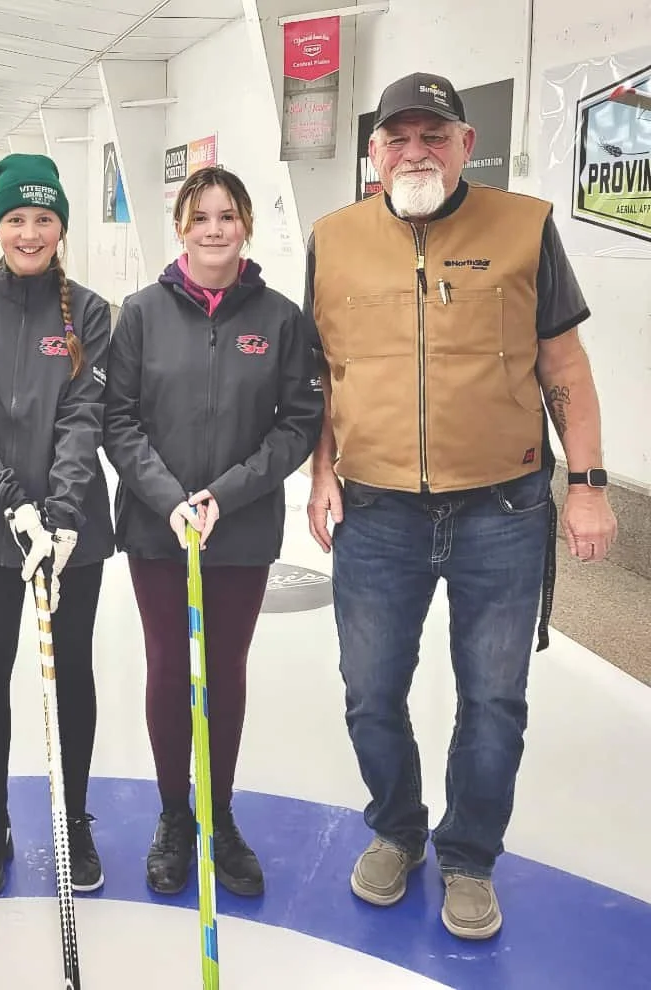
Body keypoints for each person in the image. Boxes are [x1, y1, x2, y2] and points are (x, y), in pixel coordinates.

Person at [304, 73, 618, 940]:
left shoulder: (525, 227)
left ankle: (470, 856)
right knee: (370, 692)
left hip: (504, 513)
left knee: (494, 698)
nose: (416, 152)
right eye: (397, 137)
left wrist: (586, 486)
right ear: (372, 153)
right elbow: (320, 378)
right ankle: (397, 832)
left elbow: (565, 367)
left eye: (433, 137)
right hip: (376, 513)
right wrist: (320, 471)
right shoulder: (332, 240)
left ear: (465, 143)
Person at [103, 165, 324, 898]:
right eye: (201, 218)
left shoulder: (282, 318)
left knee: (223, 671)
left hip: (240, 530)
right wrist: (169, 499)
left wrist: (225, 497)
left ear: (246, 225)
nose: (214, 230)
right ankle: (175, 815)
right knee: (170, 667)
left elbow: (298, 423)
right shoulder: (138, 313)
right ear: (181, 228)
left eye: (227, 216)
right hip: (157, 529)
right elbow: (119, 420)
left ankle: (220, 814)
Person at [0, 153, 114, 896]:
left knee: (71, 670)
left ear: (60, 226)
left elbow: (85, 417)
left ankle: (72, 817)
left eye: (44, 219)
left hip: (73, 537)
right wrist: (11, 503)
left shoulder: (91, 312)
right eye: (16, 218)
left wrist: (61, 516)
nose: (30, 232)